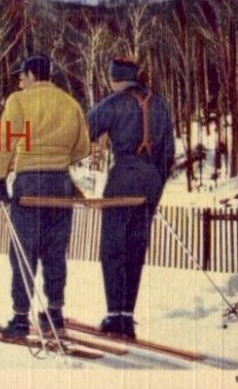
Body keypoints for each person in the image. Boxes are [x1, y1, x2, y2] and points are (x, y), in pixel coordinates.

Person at [0, 54, 91, 338]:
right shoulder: (70, 103)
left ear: (33, 74)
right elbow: (83, 147)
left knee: (24, 251)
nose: (19, 79)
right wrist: (59, 158)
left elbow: (5, 142)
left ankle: (21, 318)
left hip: (29, 184)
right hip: (61, 184)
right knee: (55, 251)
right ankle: (55, 313)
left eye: (22, 74)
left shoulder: (18, 101)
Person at [86, 57, 175, 338]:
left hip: (123, 179)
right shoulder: (161, 105)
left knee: (114, 248)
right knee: (136, 249)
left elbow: (83, 130)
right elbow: (168, 155)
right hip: (150, 183)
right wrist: (155, 189)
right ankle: (127, 315)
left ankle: (115, 316)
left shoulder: (113, 103)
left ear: (115, 79)